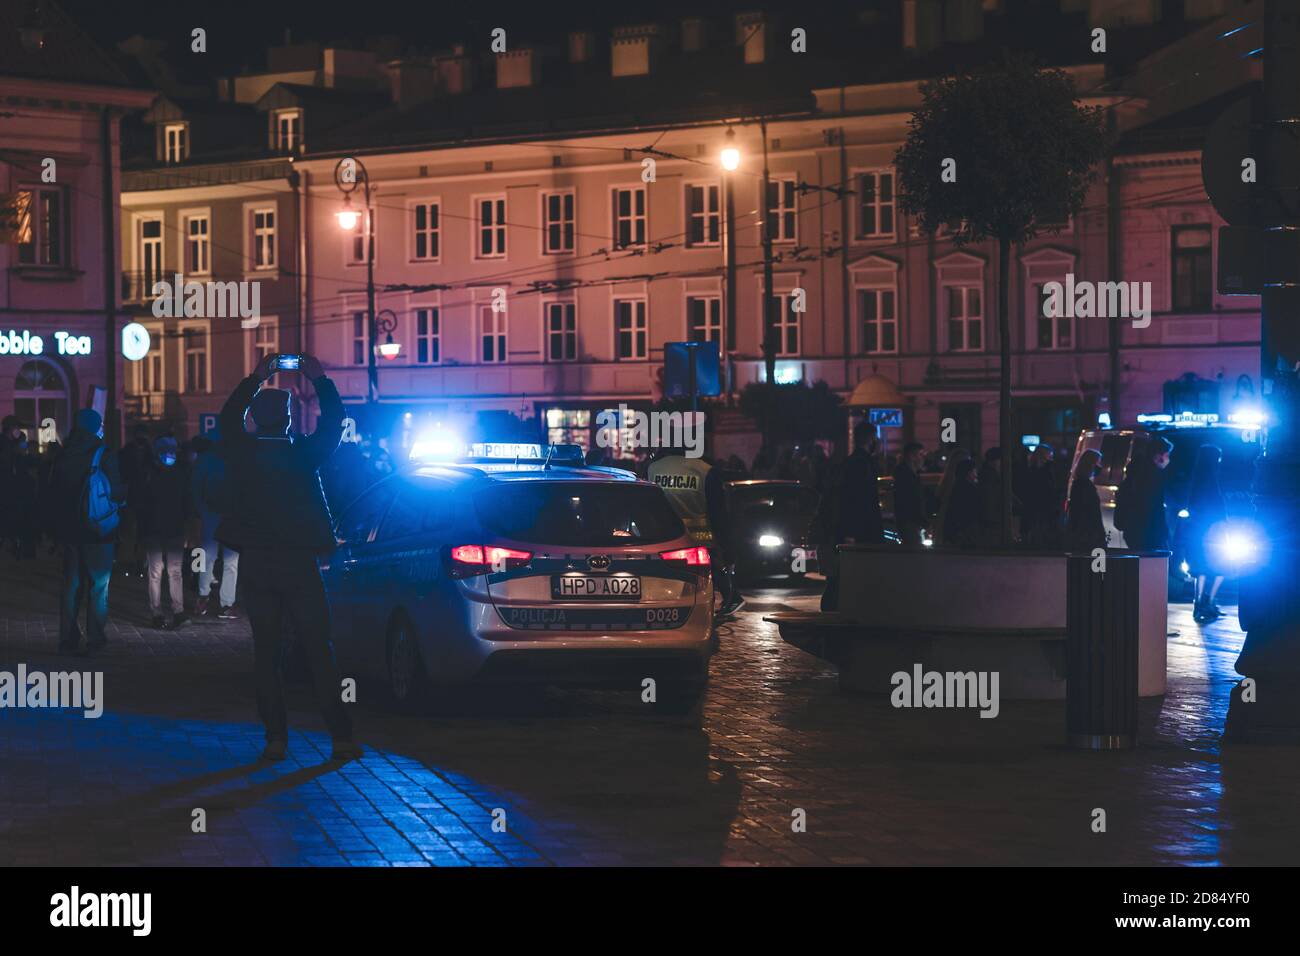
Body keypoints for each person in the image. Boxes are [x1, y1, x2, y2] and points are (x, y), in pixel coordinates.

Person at [217, 353, 359, 763]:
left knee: (266, 652)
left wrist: (255, 379)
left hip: (258, 563)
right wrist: (320, 379)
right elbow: (334, 424)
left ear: (256, 419)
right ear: (289, 420)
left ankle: (275, 738)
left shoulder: (243, 453)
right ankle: (340, 737)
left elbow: (228, 419)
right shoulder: (303, 455)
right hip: (299, 563)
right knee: (318, 649)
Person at [49, 409, 124, 655]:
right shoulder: (103, 454)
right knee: (99, 586)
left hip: (69, 531)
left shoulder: (62, 455)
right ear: (95, 427)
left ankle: (68, 639)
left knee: (71, 586)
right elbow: (115, 492)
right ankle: (95, 639)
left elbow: (50, 492)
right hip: (98, 531)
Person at [647, 444, 744, 617]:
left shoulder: (653, 468)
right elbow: (718, 512)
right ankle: (729, 597)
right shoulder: (705, 470)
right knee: (708, 571)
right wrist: (726, 545)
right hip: (701, 537)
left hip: (664, 535)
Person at [814, 422, 884, 609]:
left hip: (850, 530)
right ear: (871, 439)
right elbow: (857, 500)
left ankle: (834, 610)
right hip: (860, 532)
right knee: (846, 577)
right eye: (876, 438)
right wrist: (852, 533)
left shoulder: (851, 462)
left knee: (841, 577)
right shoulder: (862, 464)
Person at [137, 435, 193, 629]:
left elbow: (186, 503)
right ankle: (160, 612)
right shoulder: (158, 473)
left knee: (164, 572)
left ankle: (171, 611)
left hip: (167, 529)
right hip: (161, 529)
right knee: (161, 572)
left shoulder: (163, 473)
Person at [191, 433, 240, 619]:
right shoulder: (235, 460)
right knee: (230, 562)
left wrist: (200, 510)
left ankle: (202, 597)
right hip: (230, 516)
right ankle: (226, 604)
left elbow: (195, 487)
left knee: (206, 558)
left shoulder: (205, 460)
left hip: (210, 514)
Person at [1184, 444, 1227, 623]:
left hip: (1197, 530)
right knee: (1222, 565)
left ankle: (1198, 603)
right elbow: (1217, 507)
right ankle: (1209, 602)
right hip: (1213, 530)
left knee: (1201, 567)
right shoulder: (1212, 480)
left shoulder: (1196, 480)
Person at [1115, 435, 1173, 551]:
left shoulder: (1135, 473)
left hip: (1133, 531)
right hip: (1148, 534)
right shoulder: (1152, 477)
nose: (1168, 459)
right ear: (1158, 456)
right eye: (1167, 455)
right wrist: (1163, 533)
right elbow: (1154, 509)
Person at [1065, 449, 1107, 552]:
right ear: (1091, 464)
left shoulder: (1079, 483)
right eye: (1098, 462)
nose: (1100, 466)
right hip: (1088, 535)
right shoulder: (1085, 485)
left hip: (1082, 534)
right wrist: (1100, 534)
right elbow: (1092, 512)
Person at [1020, 444, 1061, 547]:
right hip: (1044, 508)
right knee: (1042, 534)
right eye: (1050, 455)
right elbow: (1049, 490)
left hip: (1034, 507)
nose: (1052, 457)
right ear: (1045, 456)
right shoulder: (1047, 470)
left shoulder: (1030, 470)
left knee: (1036, 533)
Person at [942, 458, 982, 548]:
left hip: (959, 527)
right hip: (966, 527)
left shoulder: (957, 486)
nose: (976, 473)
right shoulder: (968, 488)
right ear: (969, 472)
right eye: (974, 470)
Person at [892, 441, 927, 547]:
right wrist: (923, 521)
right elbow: (912, 502)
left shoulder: (908, 475)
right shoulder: (907, 477)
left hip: (911, 523)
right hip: (910, 524)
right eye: (920, 454)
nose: (923, 459)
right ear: (912, 456)